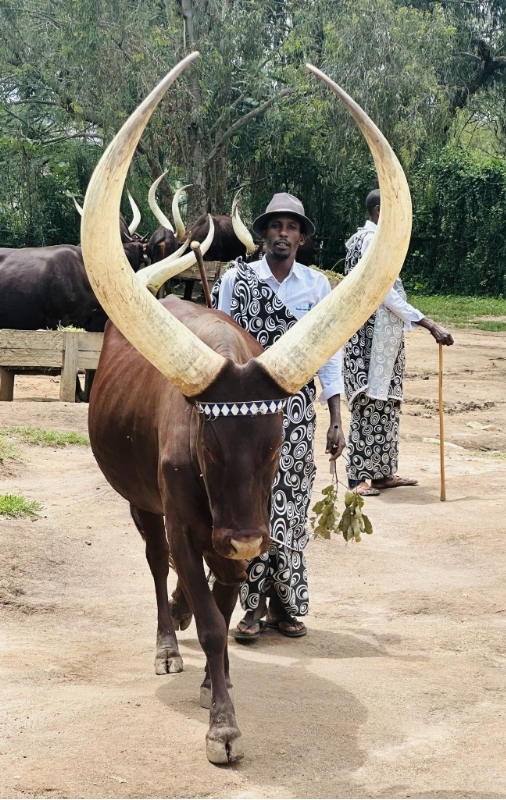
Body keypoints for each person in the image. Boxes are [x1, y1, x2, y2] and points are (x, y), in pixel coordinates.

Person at [212, 193, 344, 641]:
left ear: (302, 237)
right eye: (275, 226)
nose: (283, 234)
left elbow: (328, 355)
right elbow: (220, 341)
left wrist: (336, 417)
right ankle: (248, 611)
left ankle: (283, 605)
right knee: (248, 504)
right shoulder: (238, 279)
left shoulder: (317, 287)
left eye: (291, 227)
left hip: (297, 412)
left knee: (288, 507)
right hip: (242, 418)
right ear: (264, 233)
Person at [343, 189, 454, 496]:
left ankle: (381, 474)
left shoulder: (378, 241)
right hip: (368, 337)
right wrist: (427, 322)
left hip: (386, 337)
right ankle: (358, 478)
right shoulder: (368, 241)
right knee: (367, 403)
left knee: (387, 403)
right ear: (379, 211)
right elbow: (383, 292)